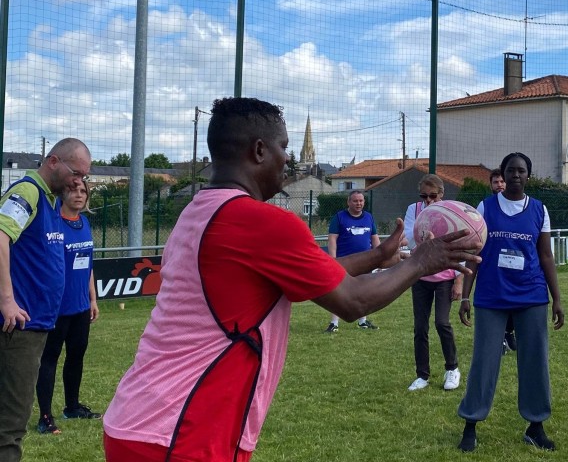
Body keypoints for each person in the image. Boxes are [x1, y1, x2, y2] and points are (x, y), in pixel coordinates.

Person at [102, 97, 478, 462]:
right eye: (283, 146)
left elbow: (312, 272)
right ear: (259, 151)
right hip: (182, 432)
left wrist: (378, 258)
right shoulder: (261, 222)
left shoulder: (196, 211)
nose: (289, 158)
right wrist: (421, 262)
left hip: (139, 419)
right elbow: (353, 302)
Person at [457, 152, 564, 452]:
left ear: (528, 175)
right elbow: (474, 254)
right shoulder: (486, 207)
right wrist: (465, 295)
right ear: (502, 175)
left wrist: (557, 298)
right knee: (484, 361)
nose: (516, 175)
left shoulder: (540, 210)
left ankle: (535, 426)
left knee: (535, 361)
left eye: (521, 170)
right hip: (492, 296)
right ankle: (470, 423)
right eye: (511, 170)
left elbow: (546, 256)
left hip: (531, 295)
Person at [0, 138, 91, 462]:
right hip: (18, 328)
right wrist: (7, 301)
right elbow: (0, 236)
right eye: (76, 173)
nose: (79, 182)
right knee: (10, 427)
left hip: (35, 325)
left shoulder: (52, 202)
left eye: (84, 176)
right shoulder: (28, 192)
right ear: (53, 161)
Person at [35, 182, 101, 435]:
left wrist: (92, 299)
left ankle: (72, 407)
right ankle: (45, 417)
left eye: (83, 191)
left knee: (76, 355)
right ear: (63, 194)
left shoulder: (84, 223)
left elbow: (88, 265)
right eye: (74, 190)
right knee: (49, 359)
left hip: (80, 307)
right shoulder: (53, 224)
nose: (79, 195)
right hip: (56, 308)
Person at [403, 174, 464, 391]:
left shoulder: (451, 212)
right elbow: (410, 238)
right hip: (420, 276)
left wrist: (459, 281)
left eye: (432, 196)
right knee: (420, 327)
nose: (428, 200)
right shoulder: (413, 210)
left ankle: (452, 369)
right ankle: (422, 375)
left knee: (442, 323)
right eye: (424, 196)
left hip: (444, 278)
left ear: (442, 194)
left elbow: (459, 245)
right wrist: (424, 230)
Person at [325, 190, 381, 331]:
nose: (358, 203)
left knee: (364, 291)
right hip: (345, 262)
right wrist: (334, 260)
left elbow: (375, 239)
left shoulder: (369, 217)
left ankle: (363, 321)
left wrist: (380, 258)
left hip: (366, 262)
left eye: (361, 201)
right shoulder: (339, 217)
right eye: (355, 201)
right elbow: (332, 239)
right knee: (338, 293)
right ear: (348, 202)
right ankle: (334, 323)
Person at [489, 168, 516, 356]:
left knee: (515, 302)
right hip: (494, 265)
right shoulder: (487, 206)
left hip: (515, 263)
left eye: (501, 181)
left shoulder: (519, 205)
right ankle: (499, 339)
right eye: (495, 182)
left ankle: (508, 332)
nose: (499, 185)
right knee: (497, 304)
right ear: (491, 185)